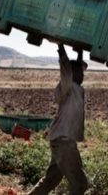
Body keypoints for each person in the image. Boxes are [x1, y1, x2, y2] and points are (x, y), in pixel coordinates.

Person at [29, 44, 88, 195]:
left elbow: (73, 70)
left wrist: (80, 53)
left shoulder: (76, 88)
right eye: (80, 72)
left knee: (51, 180)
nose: (83, 75)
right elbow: (67, 70)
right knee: (80, 183)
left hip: (60, 141)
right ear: (73, 74)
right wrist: (61, 48)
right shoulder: (67, 86)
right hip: (64, 142)